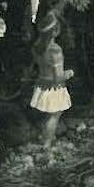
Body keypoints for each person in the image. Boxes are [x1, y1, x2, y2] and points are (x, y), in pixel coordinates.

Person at [29, 10, 74, 149]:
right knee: (55, 115)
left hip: (42, 84)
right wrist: (69, 73)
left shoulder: (37, 47)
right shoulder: (55, 50)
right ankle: (47, 142)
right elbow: (58, 76)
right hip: (54, 88)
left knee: (48, 115)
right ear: (55, 31)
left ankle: (46, 136)